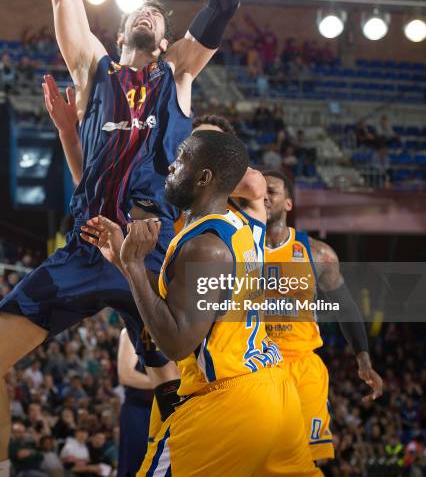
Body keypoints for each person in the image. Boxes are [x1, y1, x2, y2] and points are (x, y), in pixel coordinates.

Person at [0, 0, 242, 475]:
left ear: (167, 41)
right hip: (88, 249)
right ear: (117, 35)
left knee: (183, 385)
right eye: (138, 12)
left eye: (158, 17)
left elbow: (225, 0)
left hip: (151, 252)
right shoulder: (93, 71)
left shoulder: (178, 76)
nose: (146, 15)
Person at [82, 131, 318, 475]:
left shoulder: (204, 247)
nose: (172, 166)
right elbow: (181, 303)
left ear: (204, 177)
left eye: (181, 159)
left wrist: (134, 266)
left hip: (228, 400)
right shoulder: (243, 225)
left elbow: (177, 342)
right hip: (276, 394)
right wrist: (121, 259)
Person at [262, 169, 384, 463]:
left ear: (288, 204)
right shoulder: (233, 248)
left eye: (272, 191)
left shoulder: (317, 254)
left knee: (306, 458)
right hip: (255, 364)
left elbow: (346, 306)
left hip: (301, 365)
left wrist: (363, 360)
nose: (264, 196)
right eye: (259, 191)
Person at [116, 328, 152, 477]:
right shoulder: (132, 330)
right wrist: (166, 382)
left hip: (165, 410)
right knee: (136, 466)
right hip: (138, 411)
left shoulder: (173, 328)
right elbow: (126, 375)